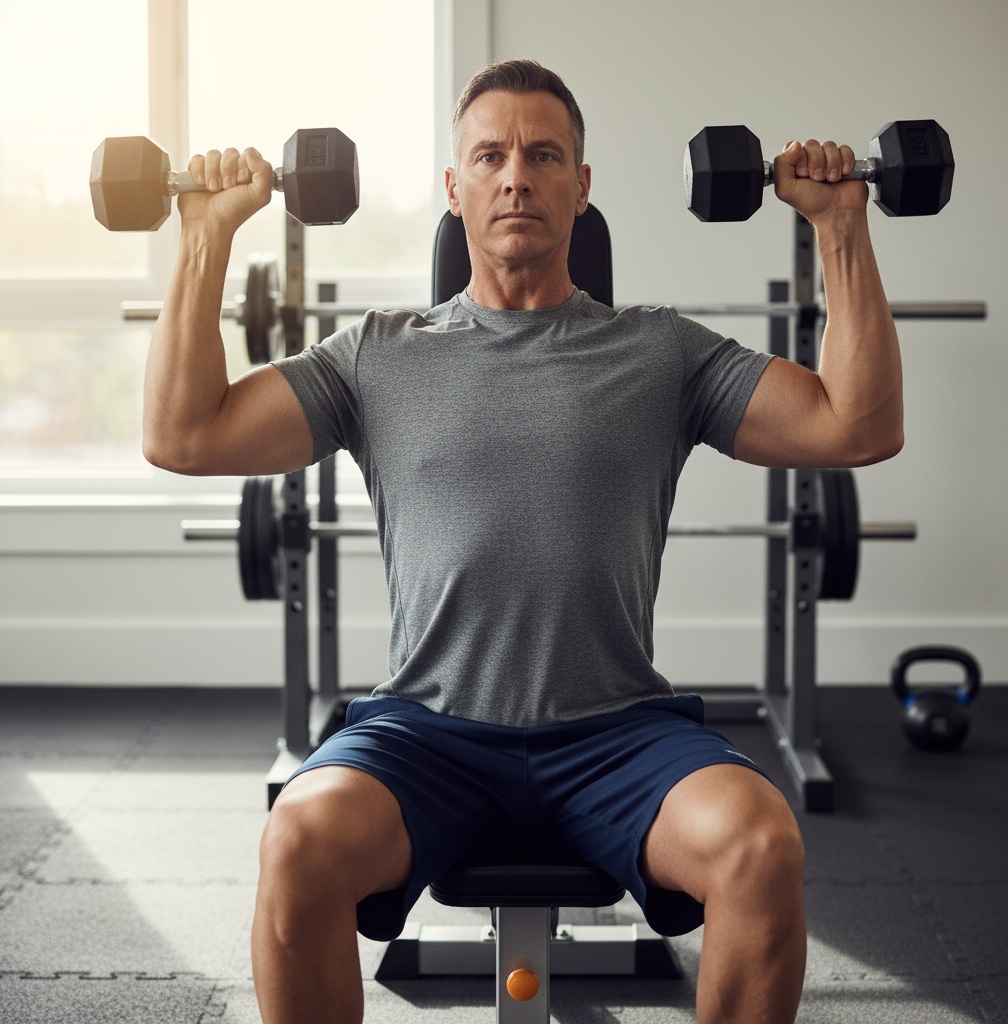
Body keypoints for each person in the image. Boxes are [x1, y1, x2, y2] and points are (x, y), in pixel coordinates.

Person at [144, 59, 902, 1024]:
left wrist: (841, 230)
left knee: (763, 845)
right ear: (454, 189)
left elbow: (857, 428)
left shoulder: (660, 351)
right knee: (296, 840)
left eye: (544, 155)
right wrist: (205, 236)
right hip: (427, 732)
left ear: (582, 188)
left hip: (617, 732)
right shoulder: (378, 355)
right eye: (490, 156)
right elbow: (184, 436)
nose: (517, 177)